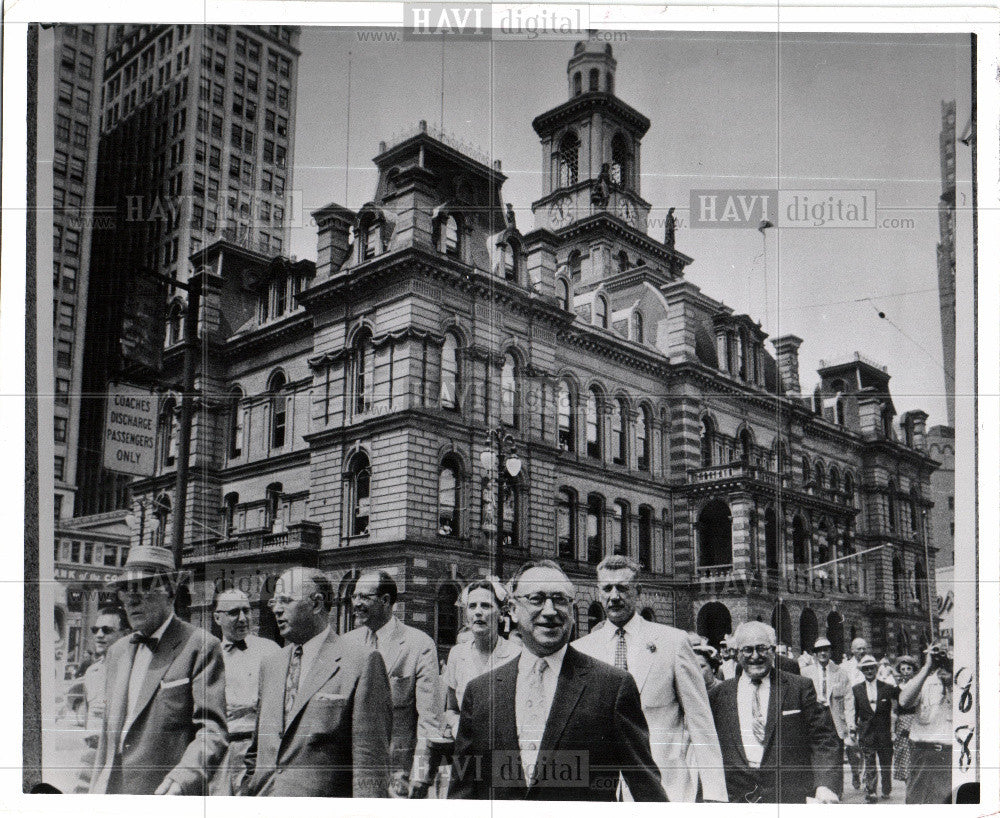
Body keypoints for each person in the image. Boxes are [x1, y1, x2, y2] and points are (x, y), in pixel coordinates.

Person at [449, 559, 666, 801]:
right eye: (537, 599)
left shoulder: (612, 687)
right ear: (511, 609)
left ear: (572, 610)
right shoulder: (480, 692)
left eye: (560, 600)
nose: (550, 610)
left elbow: (647, 791)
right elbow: (462, 794)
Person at [574, 555, 727, 802]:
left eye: (622, 588)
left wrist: (714, 794)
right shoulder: (582, 649)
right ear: (598, 591)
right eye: (607, 588)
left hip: (665, 786)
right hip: (602, 789)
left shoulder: (672, 642)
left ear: (639, 591)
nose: (614, 596)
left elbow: (701, 722)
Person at [240, 566, 392, 797]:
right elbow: (257, 751)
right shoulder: (271, 664)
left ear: (317, 604)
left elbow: (370, 766)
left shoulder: (361, 662)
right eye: (274, 603)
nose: (277, 610)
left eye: (286, 601)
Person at [89, 545, 227, 795]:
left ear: (171, 592)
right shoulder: (118, 651)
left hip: (164, 793)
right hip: (113, 792)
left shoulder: (200, 646)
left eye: (144, 588)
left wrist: (182, 779)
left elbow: (212, 732)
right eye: (125, 590)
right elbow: (107, 736)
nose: (131, 599)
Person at [706, 621, 841, 804]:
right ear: (737, 653)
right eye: (747, 650)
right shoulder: (719, 695)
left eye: (762, 648)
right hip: (737, 799)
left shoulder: (799, 687)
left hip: (788, 797)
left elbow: (823, 738)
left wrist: (824, 785)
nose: (756, 656)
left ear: (773, 650)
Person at [349, 570, 443, 798]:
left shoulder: (419, 644)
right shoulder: (347, 644)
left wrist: (420, 777)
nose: (357, 603)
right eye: (354, 597)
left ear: (386, 601)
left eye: (364, 597)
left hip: (398, 778)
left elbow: (429, 722)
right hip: (352, 776)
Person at [209, 587, 280, 795]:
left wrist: (248, 706)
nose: (242, 618)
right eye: (233, 612)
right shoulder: (209, 655)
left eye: (246, 611)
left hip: (258, 749)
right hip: (221, 750)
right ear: (217, 618)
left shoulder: (269, 650)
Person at [443, 579, 520, 732]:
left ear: (500, 614)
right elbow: (451, 709)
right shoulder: (457, 654)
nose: (478, 612)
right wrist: (457, 726)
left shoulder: (516, 654)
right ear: (467, 615)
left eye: (486, 605)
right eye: (472, 606)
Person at [75, 607, 129, 792]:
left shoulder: (132, 671)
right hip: (91, 756)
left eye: (107, 630)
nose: (99, 635)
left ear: (125, 634)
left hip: (118, 760)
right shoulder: (92, 672)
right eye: (95, 630)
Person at [897, 642, 953, 804]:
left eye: (944, 654)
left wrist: (951, 679)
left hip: (947, 754)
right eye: (936, 653)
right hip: (922, 753)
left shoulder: (960, 680)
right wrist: (927, 667)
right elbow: (904, 701)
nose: (940, 658)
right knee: (916, 802)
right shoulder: (923, 680)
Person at [801, 636, 852, 798]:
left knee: (836, 753)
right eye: (819, 650)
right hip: (814, 716)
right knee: (815, 752)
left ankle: (837, 789)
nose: (823, 653)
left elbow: (849, 700)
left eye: (826, 649)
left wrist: (850, 724)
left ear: (830, 651)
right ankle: (818, 788)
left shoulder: (840, 673)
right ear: (814, 653)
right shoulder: (805, 672)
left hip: (834, 717)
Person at [850, 654, 898, 802]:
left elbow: (894, 710)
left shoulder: (887, 688)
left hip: (884, 732)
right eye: (866, 669)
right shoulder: (856, 689)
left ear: (876, 669)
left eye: (871, 668)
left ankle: (886, 788)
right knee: (870, 762)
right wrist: (853, 728)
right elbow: (854, 711)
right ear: (862, 671)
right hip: (867, 732)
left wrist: (893, 731)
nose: (869, 671)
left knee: (885, 763)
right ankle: (871, 791)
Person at [842, 636, 870, 788]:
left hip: (866, 709)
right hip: (851, 708)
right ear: (852, 650)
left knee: (867, 743)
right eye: (858, 648)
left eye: (864, 648)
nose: (862, 651)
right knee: (851, 745)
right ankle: (855, 772)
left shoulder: (871, 664)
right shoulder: (845, 667)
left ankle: (866, 773)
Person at [892, 655, 919, 784]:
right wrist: (893, 729)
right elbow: (894, 710)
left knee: (915, 748)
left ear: (914, 670)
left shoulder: (917, 687)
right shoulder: (896, 689)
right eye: (903, 669)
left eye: (909, 669)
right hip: (902, 721)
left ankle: (915, 775)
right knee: (903, 749)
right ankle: (905, 777)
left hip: (916, 720)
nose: (906, 672)